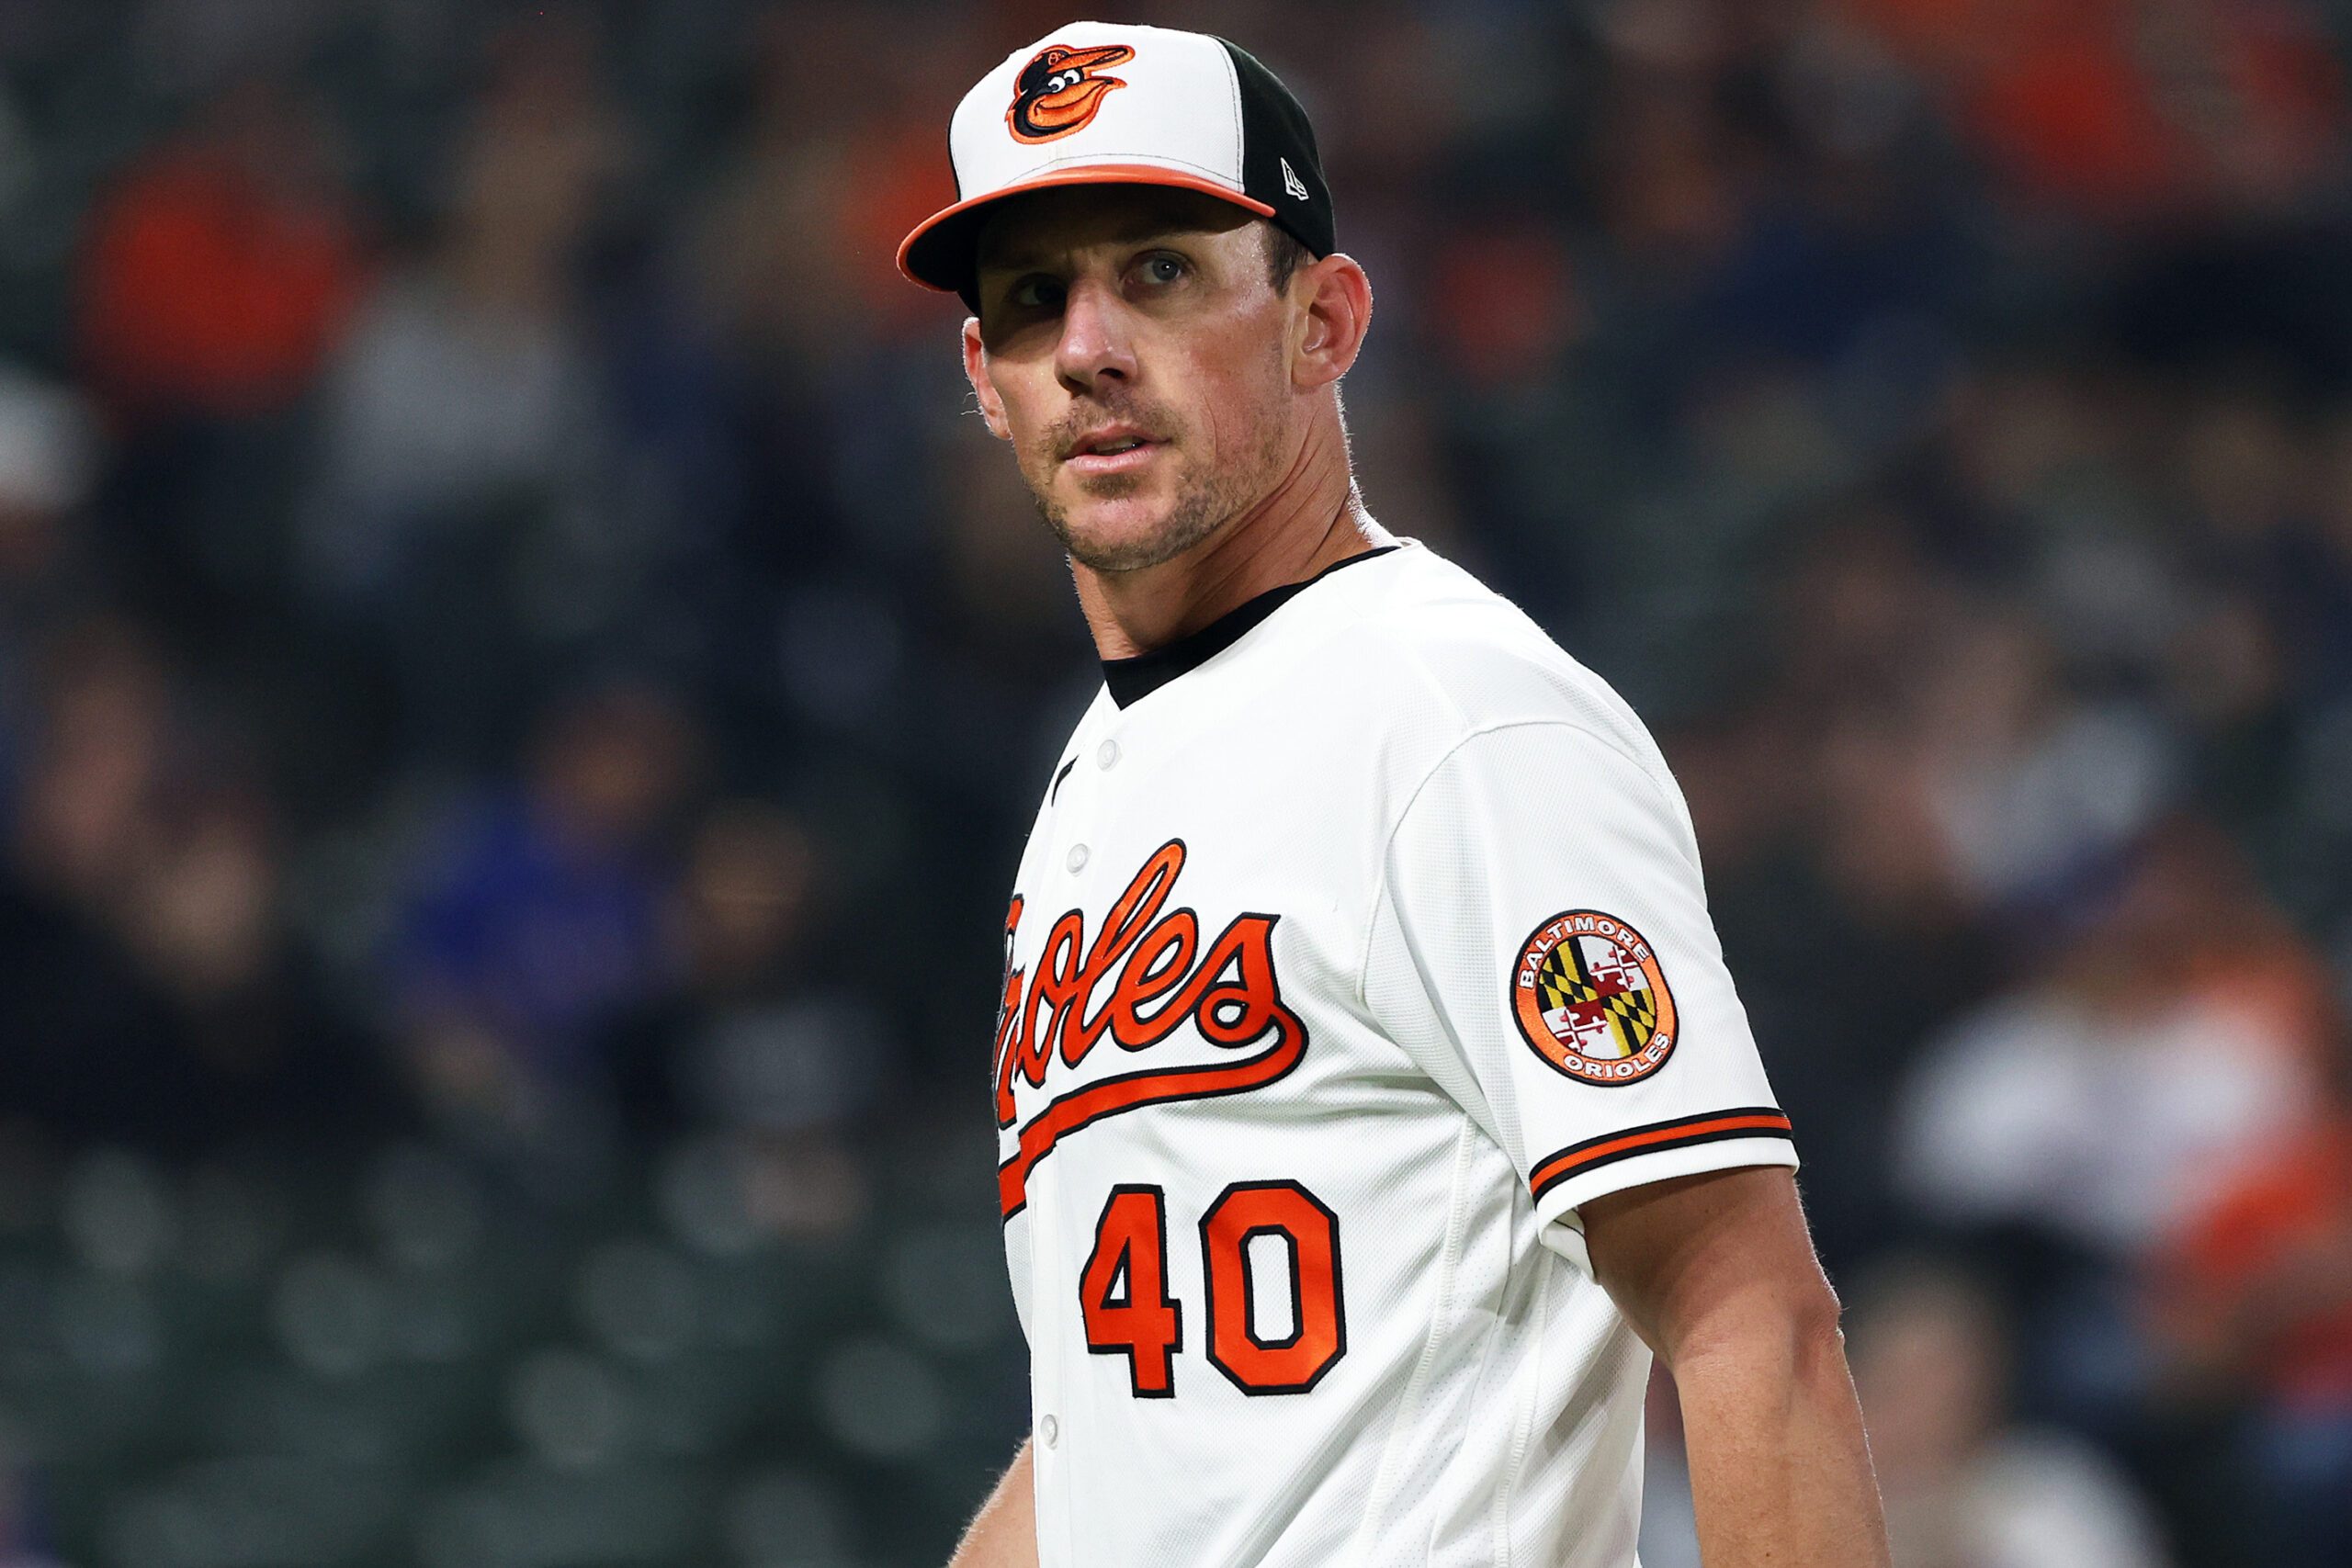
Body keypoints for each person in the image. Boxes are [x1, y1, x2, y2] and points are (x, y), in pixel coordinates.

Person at [896, 22, 1891, 1568]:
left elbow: (1750, 1318)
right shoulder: (1101, 774)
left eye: (1159, 270)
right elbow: (1120, 1427)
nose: (1087, 343)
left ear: (1324, 320)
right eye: (1032, 300)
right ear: (986, 381)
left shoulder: (1458, 722)